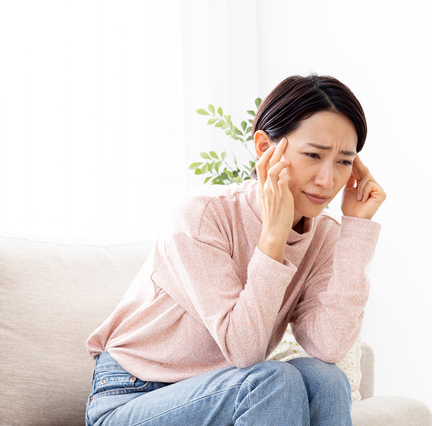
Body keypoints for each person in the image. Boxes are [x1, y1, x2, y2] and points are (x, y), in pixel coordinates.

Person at [85, 74, 386, 426]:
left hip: (225, 389)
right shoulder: (203, 214)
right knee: (272, 381)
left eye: (344, 162)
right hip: (132, 394)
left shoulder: (324, 236)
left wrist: (355, 232)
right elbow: (245, 350)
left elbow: (328, 347)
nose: (327, 179)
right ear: (265, 147)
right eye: (312, 155)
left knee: (326, 378)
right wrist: (273, 234)